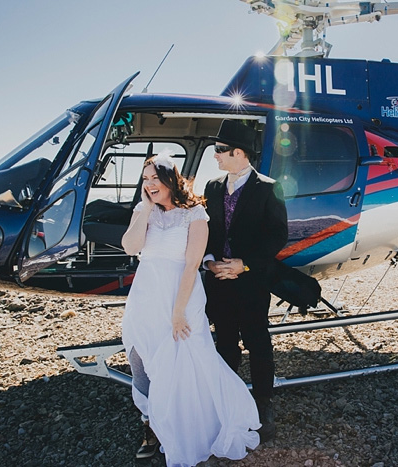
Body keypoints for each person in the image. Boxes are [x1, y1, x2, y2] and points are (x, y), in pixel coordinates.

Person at [120, 154, 260, 465]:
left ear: (170, 178)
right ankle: (150, 424)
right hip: (145, 295)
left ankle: (191, 427)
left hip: (180, 295)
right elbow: (130, 247)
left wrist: (178, 311)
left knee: (185, 363)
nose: (150, 184)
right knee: (140, 359)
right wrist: (143, 208)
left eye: (155, 178)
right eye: (145, 179)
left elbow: (192, 264)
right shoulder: (146, 211)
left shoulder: (195, 213)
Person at [203, 119, 289, 443]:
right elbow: (207, 232)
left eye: (219, 151)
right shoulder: (212, 188)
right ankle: (228, 405)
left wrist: (245, 265)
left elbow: (278, 235)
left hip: (252, 282)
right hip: (218, 282)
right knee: (223, 343)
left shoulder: (268, 187)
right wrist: (210, 262)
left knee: (258, 342)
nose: (215, 157)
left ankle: (263, 406)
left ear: (237, 152)